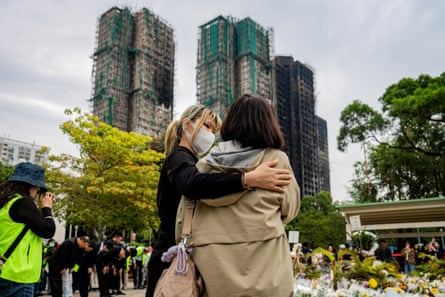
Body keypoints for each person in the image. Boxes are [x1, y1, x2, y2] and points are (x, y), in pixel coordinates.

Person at [145, 104, 293, 297]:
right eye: (206, 126)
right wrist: (247, 179)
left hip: (180, 253)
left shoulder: (196, 161)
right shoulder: (179, 158)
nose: (211, 135)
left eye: (214, 130)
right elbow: (193, 184)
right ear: (187, 124)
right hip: (171, 254)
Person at [180, 95, 301, 297]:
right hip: (268, 273)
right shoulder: (275, 160)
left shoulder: (204, 165)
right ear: (268, 123)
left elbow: (182, 219)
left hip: (213, 278)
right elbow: (290, 209)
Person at [0, 162, 56, 297]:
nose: (37, 193)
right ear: (29, 186)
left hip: (4, 270)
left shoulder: (6, 202)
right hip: (19, 275)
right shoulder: (23, 203)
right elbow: (48, 230)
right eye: (37, 189)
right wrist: (46, 208)